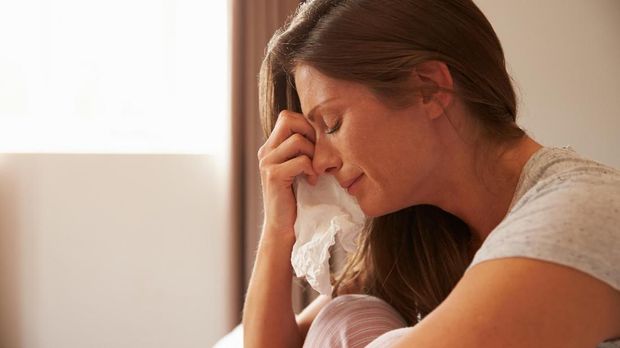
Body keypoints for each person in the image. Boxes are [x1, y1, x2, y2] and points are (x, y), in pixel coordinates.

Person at [241, 0, 620, 347]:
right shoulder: (421, 240)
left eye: (332, 123)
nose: (319, 161)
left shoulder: (578, 213)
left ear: (428, 88)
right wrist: (279, 226)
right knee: (343, 315)